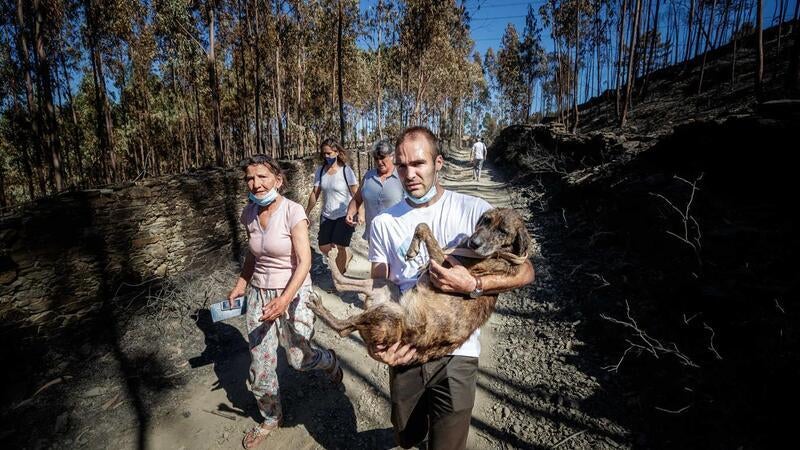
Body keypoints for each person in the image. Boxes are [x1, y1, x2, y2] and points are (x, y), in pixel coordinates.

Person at [367, 127, 535, 450]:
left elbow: (526, 270)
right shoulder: (383, 223)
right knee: (407, 435)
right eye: (402, 166)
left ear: (438, 162)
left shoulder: (476, 212)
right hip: (410, 340)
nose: (409, 174)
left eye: (419, 164)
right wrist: (377, 333)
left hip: (458, 350)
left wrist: (475, 283)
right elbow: (381, 282)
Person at [228, 154, 343, 449]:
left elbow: (304, 262)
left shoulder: (293, 212)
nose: (256, 184)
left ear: (278, 180)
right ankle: (270, 417)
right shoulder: (248, 214)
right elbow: (254, 254)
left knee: (298, 358)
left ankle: (327, 360)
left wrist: (284, 300)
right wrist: (242, 283)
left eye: (263, 177)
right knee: (261, 362)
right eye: (250, 179)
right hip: (260, 295)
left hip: (294, 292)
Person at [306, 138, 359, 274]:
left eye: (329, 153)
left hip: (344, 214)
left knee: (339, 246)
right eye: (324, 154)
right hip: (327, 215)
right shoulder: (321, 170)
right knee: (323, 246)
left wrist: (359, 212)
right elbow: (315, 193)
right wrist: (306, 212)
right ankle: (347, 254)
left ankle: (338, 278)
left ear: (337, 152)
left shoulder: (346, 171)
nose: (326, 156)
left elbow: (357, 194)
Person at [344, 139, 405, 244]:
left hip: (398, 237)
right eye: (376, 159)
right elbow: (357, 199)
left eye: (382, 158)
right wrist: (350, 212)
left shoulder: (402, 176)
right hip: (374, 236)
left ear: (392, 156)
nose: (379, 162)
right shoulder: (368, 177)